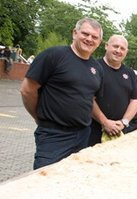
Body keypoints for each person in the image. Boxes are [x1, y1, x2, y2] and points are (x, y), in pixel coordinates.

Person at [19, 17, 103, 169]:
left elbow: (90, 99)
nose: (89, 39)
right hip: (53, 136)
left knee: (71, 180)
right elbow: (27, 90)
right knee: (44, 179)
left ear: (99, 42)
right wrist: (40, 118)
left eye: (94, 37)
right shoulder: (53, 56)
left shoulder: (96, 68)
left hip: (83, 135)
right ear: (74, 33)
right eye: (85, 34)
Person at [88, 35, 137, 146]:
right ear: (106, 46)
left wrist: (124, 122)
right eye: (115, 46)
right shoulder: (93, 67)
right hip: (92, 131)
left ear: (126, 51)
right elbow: (87, 98)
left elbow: (135, 100)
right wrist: (105, 122)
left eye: (122, 48)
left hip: (119, 131)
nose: (118, 51)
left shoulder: (130, 73)